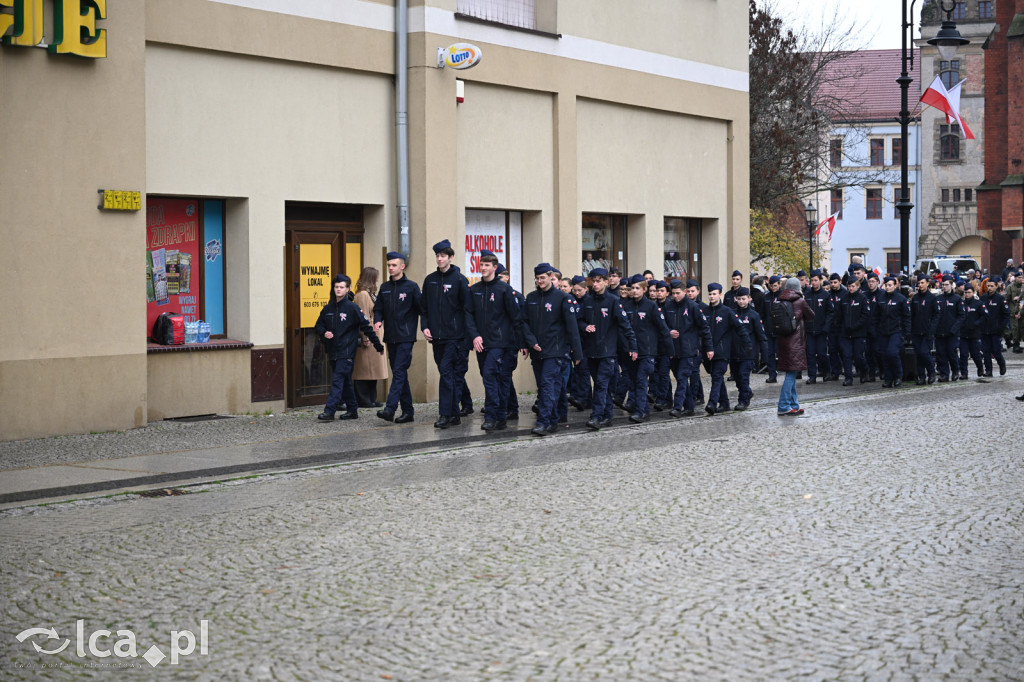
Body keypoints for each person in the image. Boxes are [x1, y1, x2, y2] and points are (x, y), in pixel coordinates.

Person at [465, 250, 526, 431]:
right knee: (490, 378)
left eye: (487, 265)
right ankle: (500, 416)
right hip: (481, 342)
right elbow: (468, 314)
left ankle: (491, 416)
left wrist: (521, 342)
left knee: (490, 375)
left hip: (501, 342)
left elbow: (515, 317)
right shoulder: (474, 290)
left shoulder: (504, 289)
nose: (483, 268)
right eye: (481, 265)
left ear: (494, 268)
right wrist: (475, 335)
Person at [521, 263, 583, 436]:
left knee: (547, 385)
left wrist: (577, 352)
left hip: (555, 350)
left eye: (543, 278)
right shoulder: (531, 297)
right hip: (537, 350)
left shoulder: (562, 298)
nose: (540, 281)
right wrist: (529, 342)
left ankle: (543, 421)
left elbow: (572, 326)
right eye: (537, 278)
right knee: (550, 386)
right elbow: (524, 322)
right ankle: (554, 419)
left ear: (550, 277)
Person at [315, 274, 384, 421]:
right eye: (336, 287)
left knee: (337, 380)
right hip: (333, 350)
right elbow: (319, 325)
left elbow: (366, 327)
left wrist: (378, 345)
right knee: (345, 381)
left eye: (341, 287)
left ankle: (329, 411)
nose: (338, 290)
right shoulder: (328, 308)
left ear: (348, 289)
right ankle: (352, 410)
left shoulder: (352, 308)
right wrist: (324, 332)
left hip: (347, 352)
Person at [577, 268, 637, 430]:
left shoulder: (613, 301)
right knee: (601, 384)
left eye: (598, 281)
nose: (595, 284)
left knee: (601, 384)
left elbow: (625, 325)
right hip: (591, 350)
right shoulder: (588, 301)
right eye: (593, 281)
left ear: (605, 281)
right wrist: (584, 326)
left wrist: (633, 346)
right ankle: (607, 414)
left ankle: (596, 416)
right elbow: (579, 320)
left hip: (608, 351)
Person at [421, 239, 472, 429]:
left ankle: (445, 414)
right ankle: (454, 414)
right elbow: (424, 308)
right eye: (437, 256)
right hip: (437, 337)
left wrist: (466, 337)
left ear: (451, 258)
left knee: (446, 373)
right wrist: (425, 326)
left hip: (455, 337)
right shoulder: (430, 280)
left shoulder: (459, 280)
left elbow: (468, 310)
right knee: (449, 375)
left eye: (443, 256)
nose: (440, 259)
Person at [373, 252, 421, 424]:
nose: (391, 268)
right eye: (389, 265)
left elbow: (422, 309)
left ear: (402, 266)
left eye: (394, 265)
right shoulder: (385, 287)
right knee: (400, 374)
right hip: (390, 337)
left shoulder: (411, 287)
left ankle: (390, 408)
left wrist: (427, 327)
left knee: (399, 371)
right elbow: (378, 308)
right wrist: (378, 320)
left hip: (406, 337)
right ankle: (408, 412)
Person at [621, 274, 672, 422]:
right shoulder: (627, 306)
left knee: (641, 381)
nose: (634, 291)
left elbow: (663, 329)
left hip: (647, 351)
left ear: (644, 289)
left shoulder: (651, 306)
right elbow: (623, 329)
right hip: (631, 351)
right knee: (634, 381)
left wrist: (669, 350)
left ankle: (640, 411)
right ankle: (644, 410)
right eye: (632, 288)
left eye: (637, 288)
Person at [663, 279, 712, 417]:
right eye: (673, 293)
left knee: (682, 377)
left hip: (689, 349)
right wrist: (668, 332)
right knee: (680, 379)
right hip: (674, 350)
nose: (675, 296)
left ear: (684, 291)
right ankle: (689, 407)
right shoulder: (668, 306)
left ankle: (677, 407)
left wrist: (708, 348)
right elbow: (662, 326)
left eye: (678, 293)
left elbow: (704, 328)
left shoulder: (693, 306)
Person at [704, 282, 751, 415]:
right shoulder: (705, 312)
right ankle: (724, 403)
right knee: (716, 377)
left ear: (720, 295)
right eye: (710, 294)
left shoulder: (727, 311)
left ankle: (712, 403)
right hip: (708, 351)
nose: (712, 296)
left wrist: (747, 345)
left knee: (717, 377)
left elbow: (740, 328)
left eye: (714, 294)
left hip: (722, 351)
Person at [775, 277, 814, 415]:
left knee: (791, 372)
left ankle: (794, 405)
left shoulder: (781, 300)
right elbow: (811, 316)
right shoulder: (800, 301)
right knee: (791, 375)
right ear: (798, 288)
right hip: (795, 343)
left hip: (783, 342)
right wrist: (803, 299)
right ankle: (783, 406)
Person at [352, 266, 388, 407]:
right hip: (369, 335)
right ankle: (364, 399)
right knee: (364, 369)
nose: (377, 280)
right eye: (376, 277)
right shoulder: (363, 295)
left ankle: (372, 398)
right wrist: (365, 337)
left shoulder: (370, 294)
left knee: (373, 369)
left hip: (375, 334)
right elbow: (364, 317)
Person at [732, 287, 769, 410]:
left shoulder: (754, 315)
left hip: (748, 353)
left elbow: (761, 336)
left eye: (743, 299)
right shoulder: (732, 314)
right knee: (737, 378)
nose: (741, 301)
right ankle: (747, 392)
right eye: (739, 299)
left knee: (743, 377)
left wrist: (764, 356)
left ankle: (743, 401)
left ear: (749, 299)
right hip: (735, 352)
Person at [874, 276, 911, 388]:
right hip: (883, 331)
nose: (888, 287)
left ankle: (898, 376)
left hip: (896, 331)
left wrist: (907, 333)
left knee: (892, 353)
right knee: (885, 355)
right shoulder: (880, 298)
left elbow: (906, 317)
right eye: (886, 285)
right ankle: (888, 379)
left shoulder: (901, 299)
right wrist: (876, 329)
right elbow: (876, 316)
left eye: (890, 285)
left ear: (895, 286)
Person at [836, 277, 870, 384]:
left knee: (858, 356)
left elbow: (865, 315)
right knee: (846, 355)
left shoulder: (862, 298)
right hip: (845, 333)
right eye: (849, 286)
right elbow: (839, 315)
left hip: (858, 333)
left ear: (858, 286)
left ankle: (864, 370)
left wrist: (856, 326)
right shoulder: (844, 298)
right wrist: (840, 328)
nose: (851, 288)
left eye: (853, 286)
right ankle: (848, 378)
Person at [803, 269, 833, 384]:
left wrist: (826, 327)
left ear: (820, 280)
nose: (814, 283)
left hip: (821, 330)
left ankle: (826, 371)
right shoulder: (807, 295)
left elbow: (830, 312)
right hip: (810, 329)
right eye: (812, 280)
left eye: (816, 280)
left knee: (822, 353)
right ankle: (812, 376)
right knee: (810, 354)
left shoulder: (826, 295)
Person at [933, 275, 964, 382]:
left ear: (951, 285)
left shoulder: (957, 299)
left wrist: (954, 329)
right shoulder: (938, 299)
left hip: (952, 332)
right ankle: (944, 374)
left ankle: (955, 371)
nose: (944, 287)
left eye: (946, 285)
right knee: (941, 354)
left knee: (952, 352)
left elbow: (961, 316)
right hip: (939, 332)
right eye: (943, 285)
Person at [909, 275, 939, 385]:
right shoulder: (915, 298)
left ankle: (931, 372)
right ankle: (921, 376)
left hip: (927, 331)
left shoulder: (932, 298)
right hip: (916, 331)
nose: (920, 285)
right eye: (919, 283)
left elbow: (936, 315)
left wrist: (932, 329)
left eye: (922, 283)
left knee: (924, 352)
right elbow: (911, 315)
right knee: (918, 355)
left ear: (927, 283)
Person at [979, 278, 1009, 376]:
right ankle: (988, 370)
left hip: (996, 330)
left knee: (996, 351)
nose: (989, 288)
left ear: (996, 286)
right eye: (988, 286)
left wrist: (1001, 328)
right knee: (986, 351)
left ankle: (1002, 364)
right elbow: (979, 313)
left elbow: (1006, 315)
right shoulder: (983, 298)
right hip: (985, 330)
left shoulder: (1000, 299)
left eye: (992, 286)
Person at [959, 284, 987, 379]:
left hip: (974, 333)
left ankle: (980, 367)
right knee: (963, 354)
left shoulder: (979, 303)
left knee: (975, 354)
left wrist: (977, 323)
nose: (967, 294)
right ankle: (964, 373)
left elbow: (984, 316)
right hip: (963, 333)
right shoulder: (961, 303)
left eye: (969, 292)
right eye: (965, 292)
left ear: (973, 293)